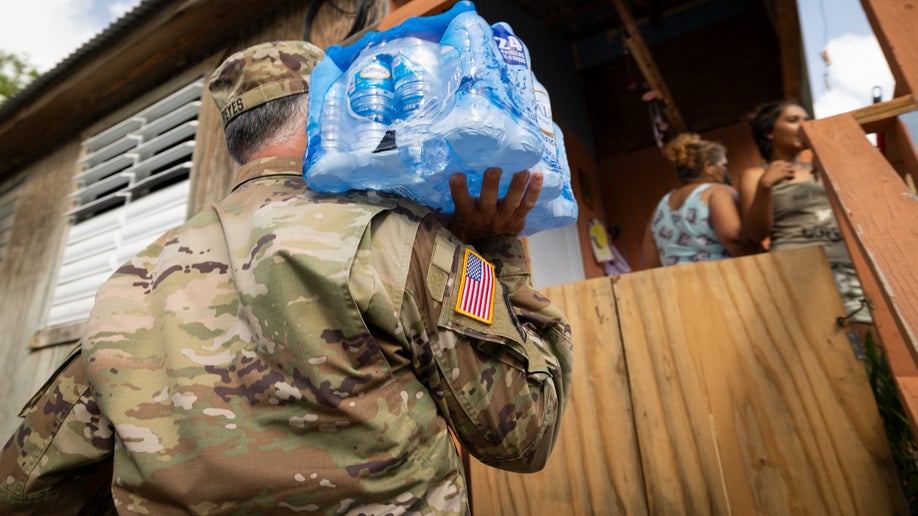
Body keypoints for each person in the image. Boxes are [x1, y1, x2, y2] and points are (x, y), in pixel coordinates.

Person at [0, 41, 573, 514]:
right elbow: (525, 434)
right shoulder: (395, 239)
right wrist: (496, 247)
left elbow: (25, 483)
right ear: (331, 109)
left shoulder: (129, 281)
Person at [739, 100, 871, 325]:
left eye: (807, 120)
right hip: (795, 270)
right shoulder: (755, 175)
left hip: (850, 266)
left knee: (872, 340)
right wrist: (764, 187)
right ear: (769, 132)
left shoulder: (824, 168)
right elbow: (755, 234)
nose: (804, 126)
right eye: (793, 120)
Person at [642, 133, 758, 267]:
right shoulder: (718, 192)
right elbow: (734, 239)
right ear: (708, 166)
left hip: (678, 284)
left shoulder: (660, 206)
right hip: (722, 280)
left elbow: (651, 260)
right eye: (723, 165)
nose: (725, 170)